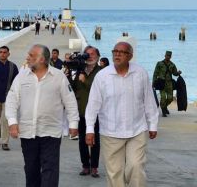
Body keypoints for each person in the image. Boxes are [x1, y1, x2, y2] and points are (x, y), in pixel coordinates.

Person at [86, 42, 159, 187]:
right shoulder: (102, 76)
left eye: (122, 52)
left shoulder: (140, 73)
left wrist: (153, 124)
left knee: (136, 167)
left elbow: (149, 100)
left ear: (130, 56)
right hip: (110, 132)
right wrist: (89, 129)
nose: (117, 54)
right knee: (114, 172)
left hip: (137, 130)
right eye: (115, 51)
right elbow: (93, 104)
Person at [6, 44, 79, 187]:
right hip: (28, 132)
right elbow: (12, 99)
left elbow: (70, 101)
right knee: (31, 170)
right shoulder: (22, 76)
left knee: (50, 170)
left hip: (51, 132)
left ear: (42, 59)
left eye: (31, 55)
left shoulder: (59, 77)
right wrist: (12, 122)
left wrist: (73, 124)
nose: (27, 57)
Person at [70, 46, 102, 177]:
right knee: (82, 140)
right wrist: (69, 75)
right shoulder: (79, 71)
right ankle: (85, 166)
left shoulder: (102, 72)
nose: (89, 57)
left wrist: (85, 82)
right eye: (87, 54)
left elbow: (100, 91)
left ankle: (94, 167)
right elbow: (73, 90)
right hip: (81, 111)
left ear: (98, 56)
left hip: (96, 113)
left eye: (92, 54)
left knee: (95, 141)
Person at [152, 51, 182, 117]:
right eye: (167, 55)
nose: (168, 57)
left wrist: (178, 73)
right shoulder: (159, 64)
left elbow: (174, 73)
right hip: (161, 83)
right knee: (163, 97)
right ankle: (163, 111)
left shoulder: (172, 64)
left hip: (169, 83)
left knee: (170, 98)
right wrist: (153, 82)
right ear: (165, 55)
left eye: (169, 56)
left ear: (170, 57)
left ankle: (164, 107)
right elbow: (155, 73)